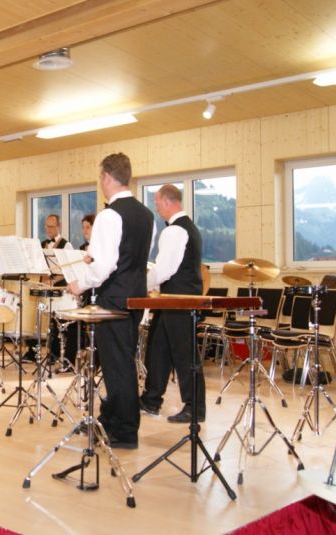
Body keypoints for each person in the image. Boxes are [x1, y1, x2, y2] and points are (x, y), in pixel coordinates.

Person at [68, 153, 155, 449]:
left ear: (107, 176)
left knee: (117, 365)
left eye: (100, 178)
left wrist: (80, 284)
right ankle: (110, 418)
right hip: (136, 296)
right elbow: (132, 257)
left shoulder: (109, 215)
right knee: (121, 361)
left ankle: (124, 430)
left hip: (113, 298)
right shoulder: (146, 215)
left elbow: (104, 266)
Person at [139, 184, 205, 423]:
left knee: (184, 355)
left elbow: (164, 270)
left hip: (179, 301)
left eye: (157, 204)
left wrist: (141, 285)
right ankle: (151, 400)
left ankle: (195, 407)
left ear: (168, 202)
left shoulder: (175, 230)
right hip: (174, 300)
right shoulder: (189, 227)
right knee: (158, 351)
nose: (157, 209)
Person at [41, 214, 76, 371]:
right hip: (48, 289)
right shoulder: (43, 245)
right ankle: (52, 354)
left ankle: (65, 357)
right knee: (51, 323)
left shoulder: (66, 245)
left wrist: (54, 281)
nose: (48, 229)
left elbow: (69, 269)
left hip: (61, 290)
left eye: (51, 226)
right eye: (46, 226)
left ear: (58, 227)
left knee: (62, 324)